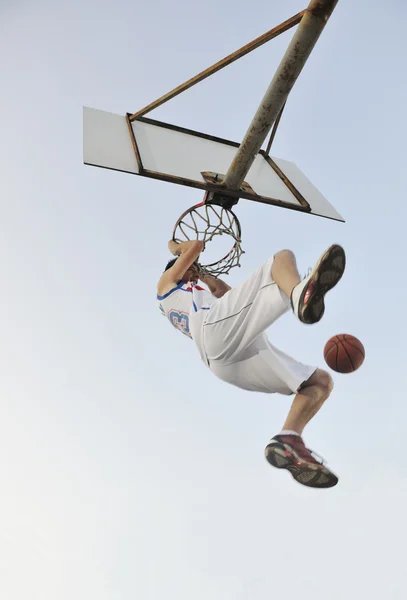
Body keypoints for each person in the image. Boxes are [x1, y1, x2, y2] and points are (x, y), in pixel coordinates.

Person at [157, 239, 346, 489]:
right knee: (281, 257)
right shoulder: (165, 285)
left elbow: (226, 294)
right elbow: (196, 246)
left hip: (225, 359)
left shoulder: (194, 298)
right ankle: (300, 293)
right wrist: (176, 248)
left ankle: (289, 438)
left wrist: (202, 273)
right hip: (213, 332)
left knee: (320, 383)